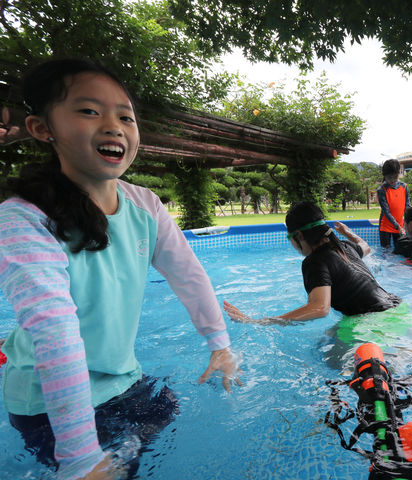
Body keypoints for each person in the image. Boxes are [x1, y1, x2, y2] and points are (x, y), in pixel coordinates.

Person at [0, 59, 237, 480]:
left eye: (125, 116)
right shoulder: (22, 219)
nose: (114, 126)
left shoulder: (144, 204)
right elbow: (55, 332)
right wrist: (80, 459)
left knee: (163, 415)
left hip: (124, 377)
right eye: (89, 111)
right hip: (50, 401)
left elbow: (189, 275)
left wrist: (220, 345)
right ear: (42, 128)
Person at [223, 201, 402, 324]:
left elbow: (320, 308)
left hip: (372, 320)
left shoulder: (314, 261)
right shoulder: (345, 247)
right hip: (397, 308)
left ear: (298, 235)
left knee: (328, 361)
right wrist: (347, 233)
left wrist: (259, 322)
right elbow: (365, 246)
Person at [377, 159, 410, 249]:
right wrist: (397, 226)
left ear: (398, 174)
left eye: (395, 177)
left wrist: (407, 223)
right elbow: (386, 212)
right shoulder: (382, 190)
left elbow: (407, 206)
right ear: (384, 176)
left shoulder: (404, 186)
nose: (392, 180)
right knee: (385, 251)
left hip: (400, 224)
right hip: (385, 226)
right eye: (389, 177)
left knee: (400, 249)